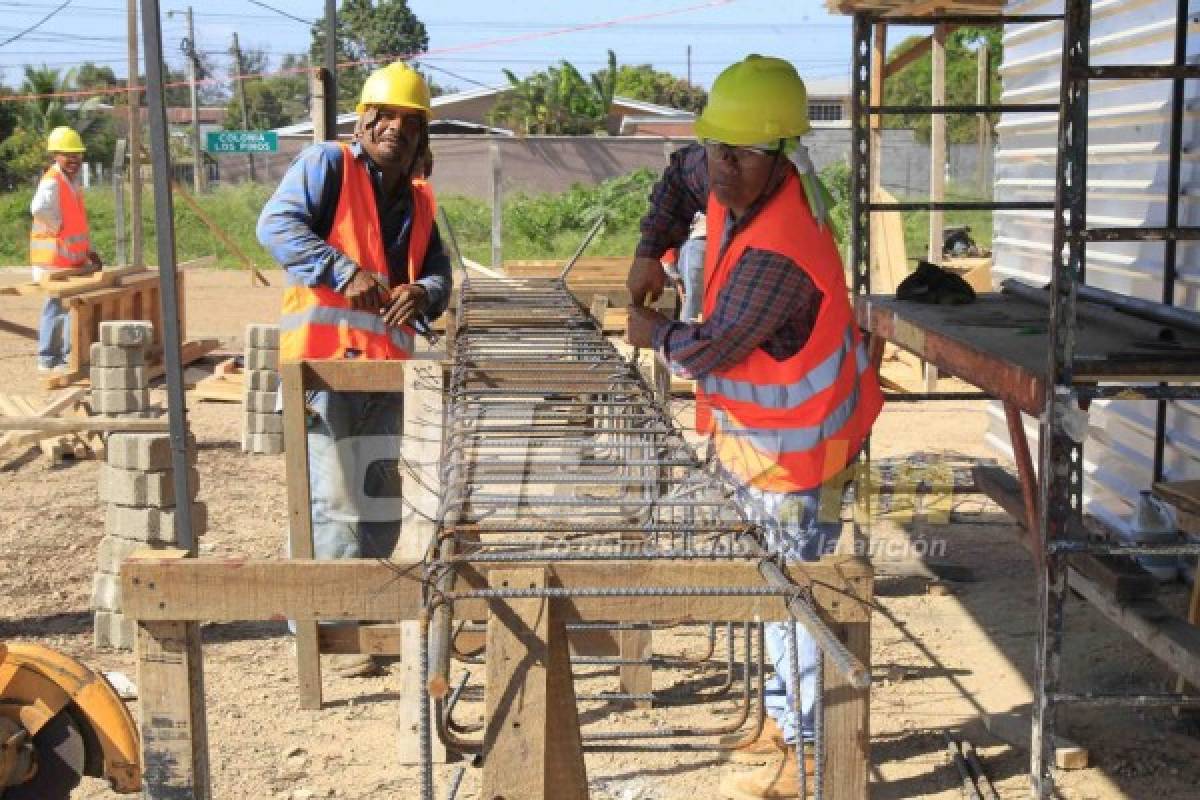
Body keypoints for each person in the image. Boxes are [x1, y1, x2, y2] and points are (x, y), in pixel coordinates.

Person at [624, 55, 883, 800]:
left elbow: (710, 347)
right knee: (773, 584)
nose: (721, 169)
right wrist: (651, 249)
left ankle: (805, 759)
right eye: (717, 149)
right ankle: (780, 716)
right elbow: (680, 175)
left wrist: (651, 333)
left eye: (738, 156)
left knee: (800, 596)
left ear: (781, 155)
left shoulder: (782, 249)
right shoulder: (731, 168)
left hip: (808, 451)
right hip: (764, 440)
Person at [257, 61, 452, 677]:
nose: (394, 128)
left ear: (421, 136)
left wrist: (423, 293)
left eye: (408, 120)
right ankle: (323, 631)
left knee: (379, 504)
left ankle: (361, 624)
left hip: (387, 375)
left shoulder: (419, 201)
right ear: (364, 121)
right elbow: (276, 226)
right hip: (323, 371)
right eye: (385, 116)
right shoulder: (328, 166)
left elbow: (441, 273)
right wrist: (344, 270)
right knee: (332, 504)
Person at [30, 126, 102, 373]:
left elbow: (77, 222)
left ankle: (64, 357)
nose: (74, 160)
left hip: (69, 259)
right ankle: (49, 358)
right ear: (55, 156)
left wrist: (88, 250)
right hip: (52, 259)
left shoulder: (71, 181)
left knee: (68, 307)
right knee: (56, 306)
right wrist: (57, 227)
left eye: (77, 155)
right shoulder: (53, 180)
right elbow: (38, 208)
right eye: (67, 155)